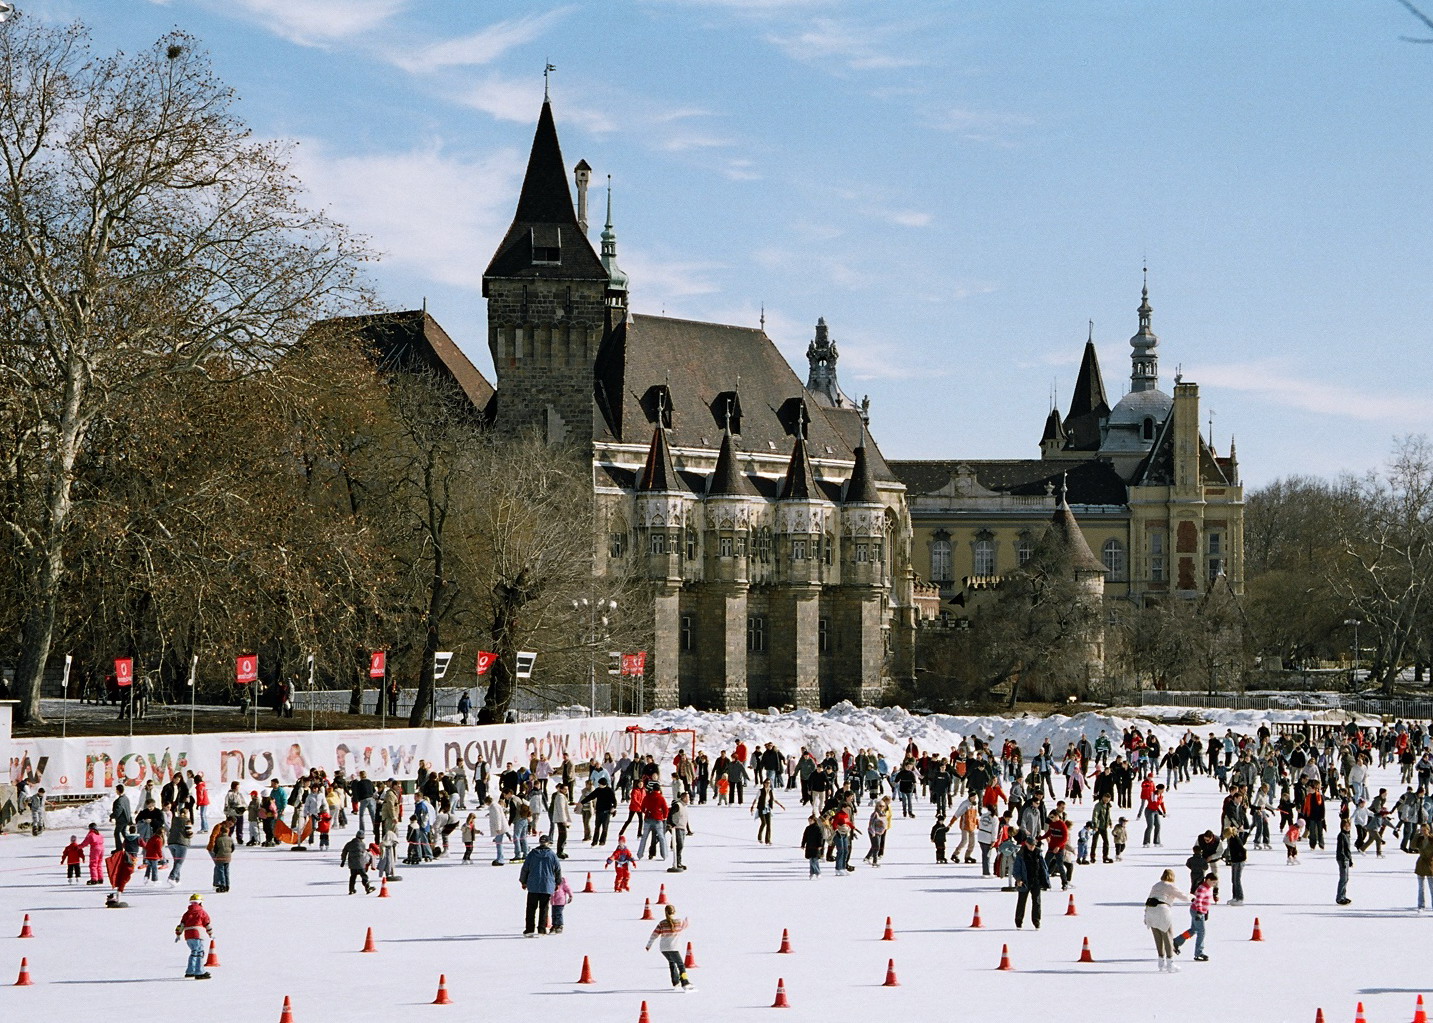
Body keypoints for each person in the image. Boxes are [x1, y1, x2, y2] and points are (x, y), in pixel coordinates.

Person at [1144, 868, 1191, 973]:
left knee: (1158, 937)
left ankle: (1161, 963)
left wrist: (1145, 916)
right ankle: (1170, 963)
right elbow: (1183, 896)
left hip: (1150, 911)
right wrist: (1192, 897)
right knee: (1167, 936)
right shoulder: (1170, 886)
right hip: (1162, 910)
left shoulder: (1156, 885)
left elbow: (1149, 898)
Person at [518, 834, 562, 936]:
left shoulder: (532, 854)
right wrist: (558, 882)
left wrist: (523, 881)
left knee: (531, 908)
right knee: (544, 908)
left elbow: (525, 868)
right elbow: (557, 870)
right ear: (548, 843)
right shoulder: (552, 855)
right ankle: (541, 929)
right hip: (547, 885)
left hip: (533, 885)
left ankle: (529, 929)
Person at [644, 904, 692, 991]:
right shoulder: (679, 922)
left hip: (663, 949)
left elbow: (654, 935)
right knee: (681, 965)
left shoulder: (662, 923)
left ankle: (676, 982)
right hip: (674, 948)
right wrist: (687, 919)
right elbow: (686, 925)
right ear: (674, 912)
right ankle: (685, 982)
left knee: (672, 963)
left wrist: (648, 945)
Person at [1012, 832, 1050, 929]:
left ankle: (1036, 921)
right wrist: (1018, 879)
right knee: (1021, 901)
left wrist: (1045, 880)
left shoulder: (1038, 853)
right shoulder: (1021, 855)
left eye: (1034, 845)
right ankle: (1018, 921)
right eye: (1031, 845)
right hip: (1025, 881)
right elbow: (1016, 869)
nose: (1032, 847)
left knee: (1036, 902)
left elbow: (1044, 867)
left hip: (1036, 880)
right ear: (1026, 844)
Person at [1173, 875, 1213, 961]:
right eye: (1213, 882)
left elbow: (1206, 902)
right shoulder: (1202, 888)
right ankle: (1198, 953)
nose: (1214, 884)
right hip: (1197, 911)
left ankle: (1177, 941)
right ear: (1208, 880)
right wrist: (1199, 912)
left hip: (1199, 911)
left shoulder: (1208, 888)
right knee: (1201, 932)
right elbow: (1198, 900)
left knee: (1194, 929)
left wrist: (1206, 912)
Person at [175, 893, 214, 980]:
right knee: (199, 953)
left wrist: (178, 934)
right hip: (197, 934)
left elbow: (181, 925)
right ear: (200, 903)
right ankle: (199, 971)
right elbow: (207, 924)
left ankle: (190, 971)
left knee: (193, 952)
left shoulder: (187, 913)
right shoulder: (202, 912)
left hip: (188, 935)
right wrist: (211, 933)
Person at [753, 780, 784, 845]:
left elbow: (774, 800)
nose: (768, 784)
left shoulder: (770, 791)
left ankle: (768, 840)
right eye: (767, 783)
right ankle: (759, 837)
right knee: (763, 823)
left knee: (769, 825)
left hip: (768, 809)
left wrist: (781, 805)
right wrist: (752, 806)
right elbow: (756, 799)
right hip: (761, 808)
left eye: (769, 783)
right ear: (764, 784)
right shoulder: (760, 791)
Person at [207, 820, 234, 892]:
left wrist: (217, 853)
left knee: (220, 870)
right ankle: (226, 884)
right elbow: (232, 848)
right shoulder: (230, 839)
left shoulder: (219, 839)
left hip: (220, 856)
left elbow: (216, 849)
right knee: (226, 871)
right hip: (228, 857)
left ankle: (222, 884)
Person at [1335, 816, 1354, 905]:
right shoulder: (1342, 835)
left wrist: (1350, 859)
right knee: (1343, 878)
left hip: (1346, 859)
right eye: (1345, 826)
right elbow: (1341, 849)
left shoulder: (1347, 835)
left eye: (1348, 825)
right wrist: (1343, 859)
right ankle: (1339, 898)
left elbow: (1348, 850)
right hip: (1342, 859)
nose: (1347, 827)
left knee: (1346, 879)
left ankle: (1343, 895)